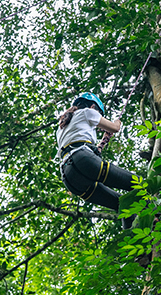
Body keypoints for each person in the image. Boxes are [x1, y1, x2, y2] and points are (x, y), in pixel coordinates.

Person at [56, 92, 135, 223]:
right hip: (82, 160)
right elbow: (115, 128)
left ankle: (132, 241)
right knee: (137, 182)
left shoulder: (62, 127)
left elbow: (77, 144)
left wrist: (100, 144)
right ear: (93, 107)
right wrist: (116, 123)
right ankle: (159, 217)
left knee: (123, 205)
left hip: (69, 176)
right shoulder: (88, 112)